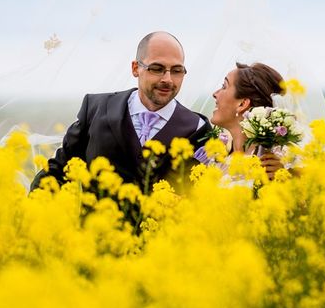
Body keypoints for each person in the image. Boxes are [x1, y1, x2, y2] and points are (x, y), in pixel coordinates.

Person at [30, 31, 212, 191]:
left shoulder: (198, 129)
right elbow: (58, 170)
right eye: (157, 69)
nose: (168, 79)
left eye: (177, 71)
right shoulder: (95, 108)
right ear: (135, 68)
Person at [207, 62, 290, 179]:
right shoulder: (217, 161)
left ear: (242, 104)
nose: (215, 94)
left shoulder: (272, 164)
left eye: (224, 86)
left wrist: (284, 178)